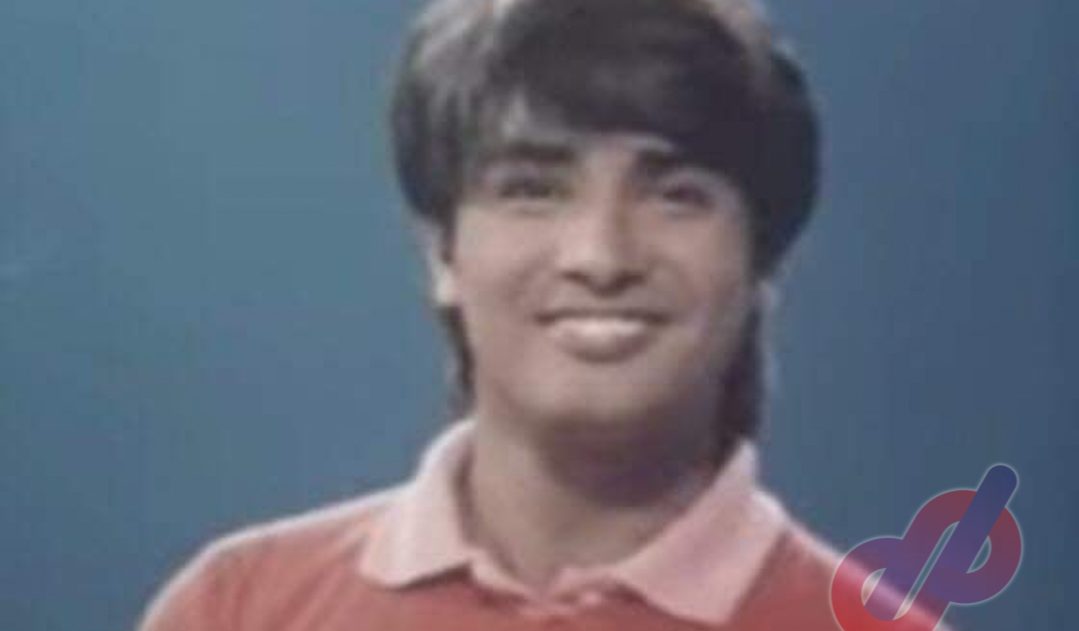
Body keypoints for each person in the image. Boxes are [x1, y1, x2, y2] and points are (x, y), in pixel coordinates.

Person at [139, 0, 947, 629]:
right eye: (532, 190)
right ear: (441, 252)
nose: (600, 256)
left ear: (761, 261)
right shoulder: (240, 606)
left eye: (675, 195)